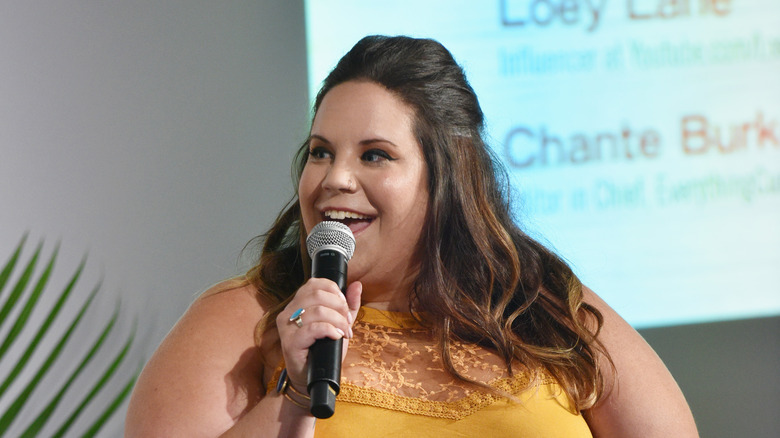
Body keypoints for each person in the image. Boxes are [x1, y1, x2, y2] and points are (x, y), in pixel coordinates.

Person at [125, 35, 698, 437]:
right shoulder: (242, 319)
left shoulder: (541, 304)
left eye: (374, 155)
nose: (335, 179)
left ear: (445, 180)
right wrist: (294, 396)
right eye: (321, 152)